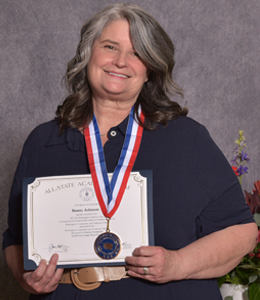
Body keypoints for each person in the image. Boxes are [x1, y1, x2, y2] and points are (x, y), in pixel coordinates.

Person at [3, 3, 257, 300]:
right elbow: (15, 240)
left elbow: (242, 232)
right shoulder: (43, 141)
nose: (121, 61)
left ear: (150, 69)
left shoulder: (187, 139)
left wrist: (177, 264)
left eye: (137, 53)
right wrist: (26, 279)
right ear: (88, 54)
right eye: (110, 46)